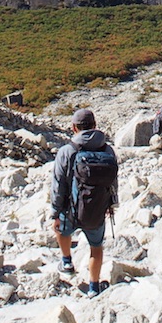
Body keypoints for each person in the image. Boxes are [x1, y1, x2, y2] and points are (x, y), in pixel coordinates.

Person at [50, 108, 118, 297]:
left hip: (70, 209)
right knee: (96, 247)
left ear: (74, 128)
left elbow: (58, 184)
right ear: (95, 126)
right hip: (97, 208)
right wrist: (112, 205)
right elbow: (113, 181)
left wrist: (55, 212)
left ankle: (66, 261)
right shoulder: (108, 150)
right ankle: (94, 288)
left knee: (61, 231)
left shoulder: (67, 151)